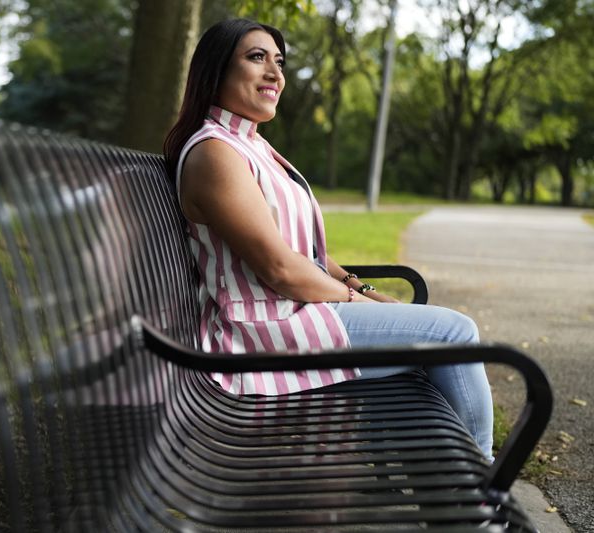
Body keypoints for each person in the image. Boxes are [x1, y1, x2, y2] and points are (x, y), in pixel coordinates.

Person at [163, 18, 493, 461]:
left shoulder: (250, 146)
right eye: (256, 57)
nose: (275, 74)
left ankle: (453, 484)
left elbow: (308, 254)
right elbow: (279, 268)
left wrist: (361, 288)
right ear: (215, 71)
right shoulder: (215, 152)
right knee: (453, 334)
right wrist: (356, 303)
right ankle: (481, 491)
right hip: (263, 329)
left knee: (435, 337)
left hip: (294, 312)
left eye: (279, 62)